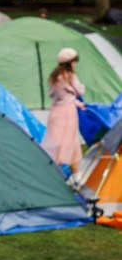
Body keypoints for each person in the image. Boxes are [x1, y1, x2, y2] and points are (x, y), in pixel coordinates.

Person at [41, 48, 85, 189]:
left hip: (55, 112)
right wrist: (76, 100)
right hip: (67, 114)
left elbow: (55, 95)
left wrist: (74, 101)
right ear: (70, 62)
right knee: (71, 142)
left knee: (55, 143)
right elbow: (79, 90)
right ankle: (76, 176)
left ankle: (52, 176)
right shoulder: (70, 76)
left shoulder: (55, 76)